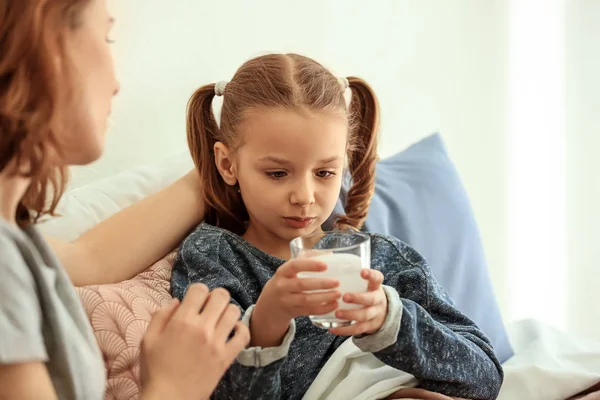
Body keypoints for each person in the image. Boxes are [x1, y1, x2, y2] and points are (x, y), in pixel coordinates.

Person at [171, 53, 505, 400]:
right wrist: (266, 322)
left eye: (325, 173)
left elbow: (484, 378)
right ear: (228, 164)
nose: (304, 196)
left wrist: (389, 321)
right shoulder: (214, 258)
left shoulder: (382, 258)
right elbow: (213, 391)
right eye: (277, 173)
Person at [0, 1, 250, 399]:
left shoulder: (17, 243)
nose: (116, 82)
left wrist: (228, 167)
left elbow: (93, 258)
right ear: (46, 48)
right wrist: (173, 387)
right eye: (106, 36)